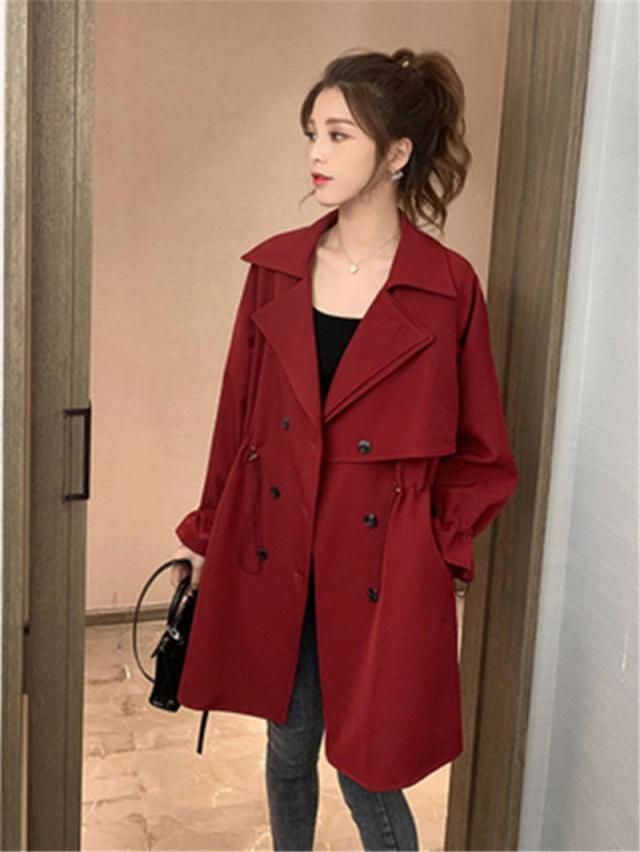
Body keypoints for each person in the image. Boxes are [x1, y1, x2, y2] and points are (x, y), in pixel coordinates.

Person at [168, 47, 517, 851]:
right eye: (312, 134)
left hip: (384, 564)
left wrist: (435, 548)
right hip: (278, 543)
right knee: (288, 746)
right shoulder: (277, 271)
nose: (316, 154)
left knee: (370, 769)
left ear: (396, 154)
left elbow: (482, 451)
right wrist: (208, 533)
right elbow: (238, 421)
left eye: (338, 134)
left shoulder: (446, 287)